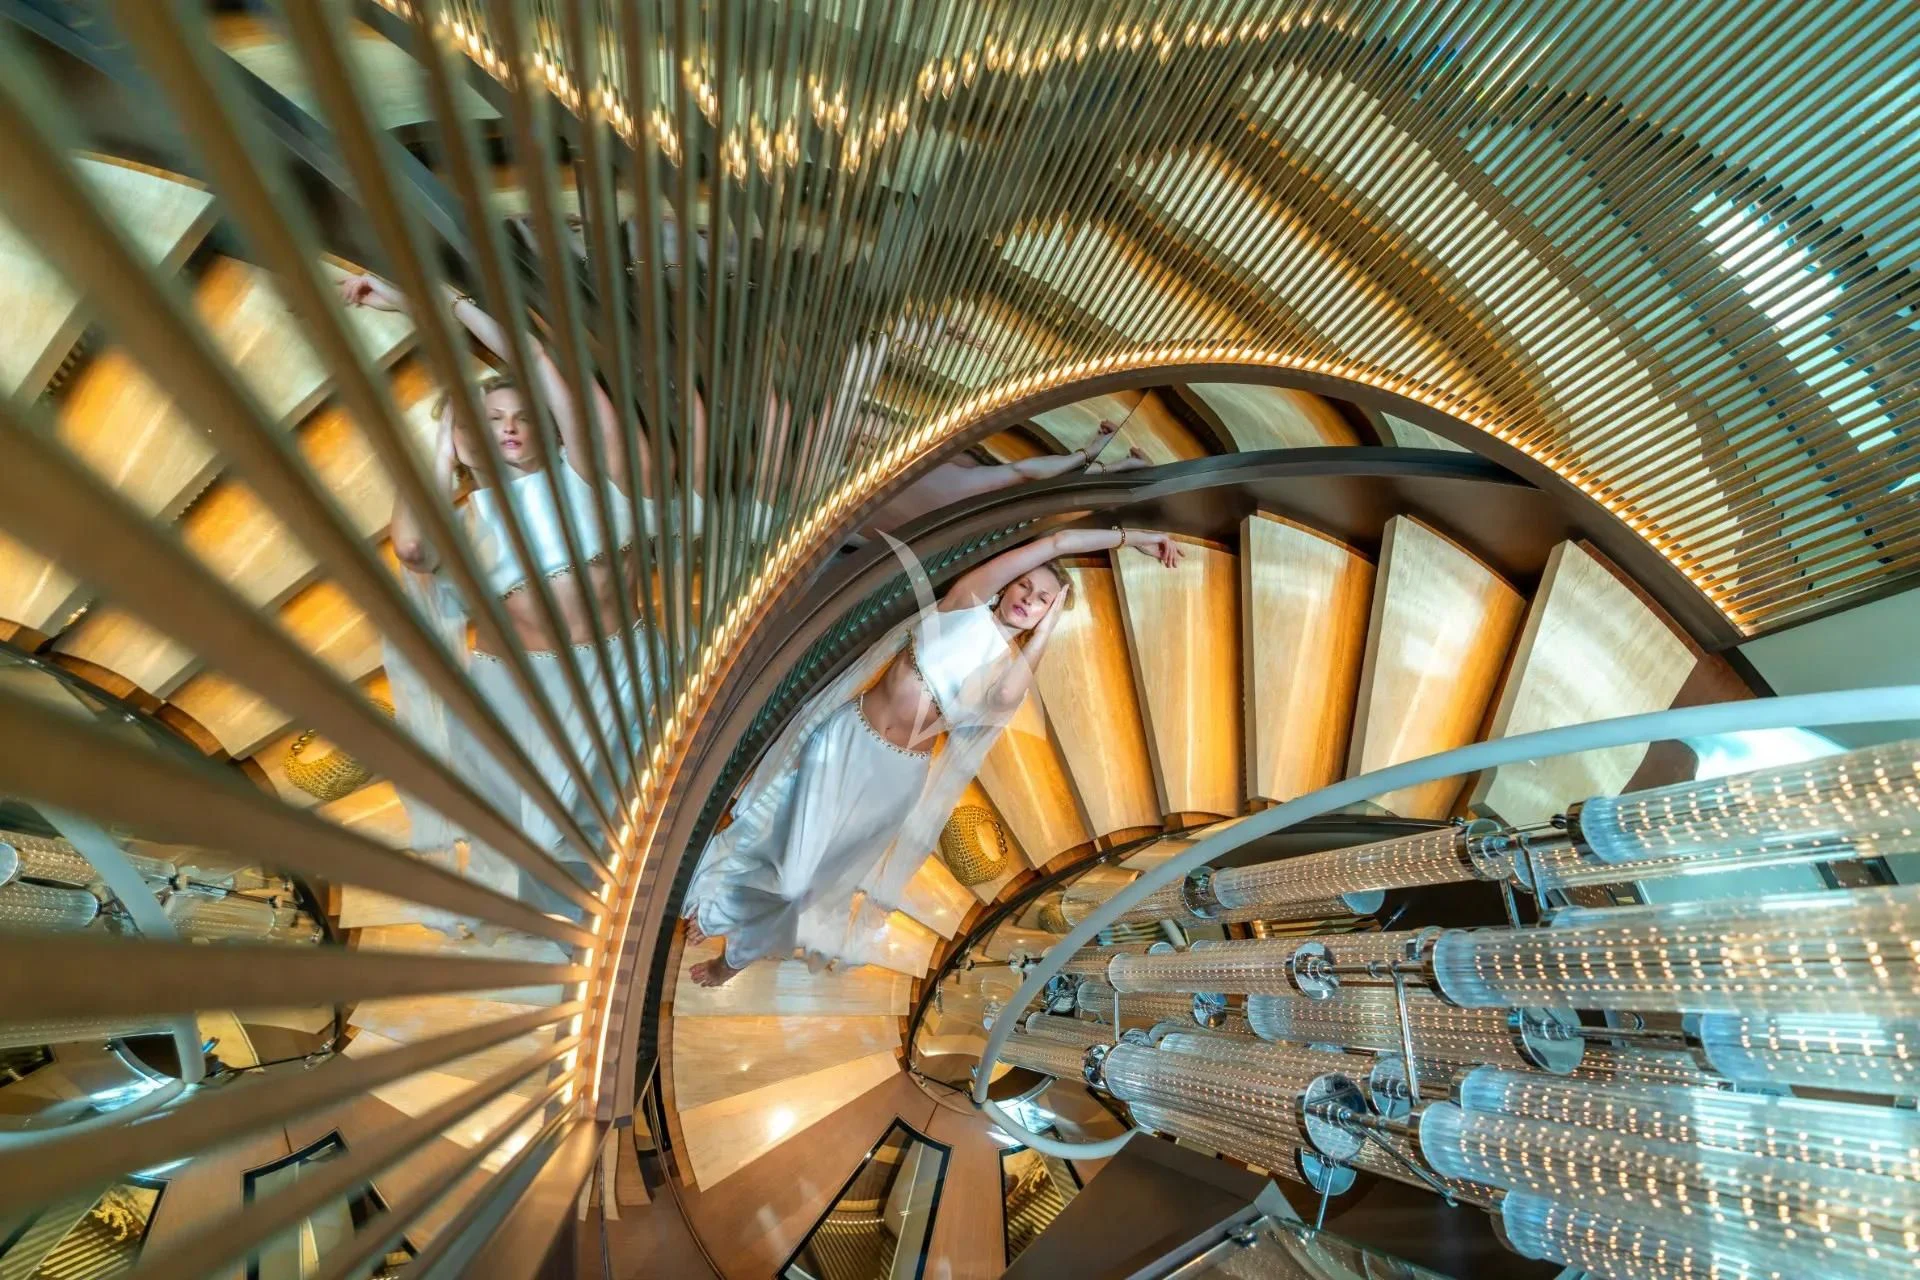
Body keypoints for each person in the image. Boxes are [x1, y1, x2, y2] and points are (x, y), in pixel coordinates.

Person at [339, 272, 702, 915]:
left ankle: (631, 916)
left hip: (624, 669)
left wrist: (437, 301)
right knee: (532, 835)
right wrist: (440, 443)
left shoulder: (595, 476)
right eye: (490, 420)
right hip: (527, 689)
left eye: (523, 417)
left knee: (639, 814)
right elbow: (413, 550)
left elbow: (536, 357)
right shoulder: (467, 521)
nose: (509, 428)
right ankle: (567, 926)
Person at [680, 525, 1185, 986]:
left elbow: (1005, 702)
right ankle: (718, 906)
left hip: (894, 780)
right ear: (1007, 584)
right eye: (1024, 587)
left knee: (810, 881)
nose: (1027, 600)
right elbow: (1052, 545)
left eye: (1042, 601)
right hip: (847, 741)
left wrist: (1046, 631)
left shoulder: (1010, 668)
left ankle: (736, 956)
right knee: (783, 843)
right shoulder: (963, 603)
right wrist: (1130, 537)